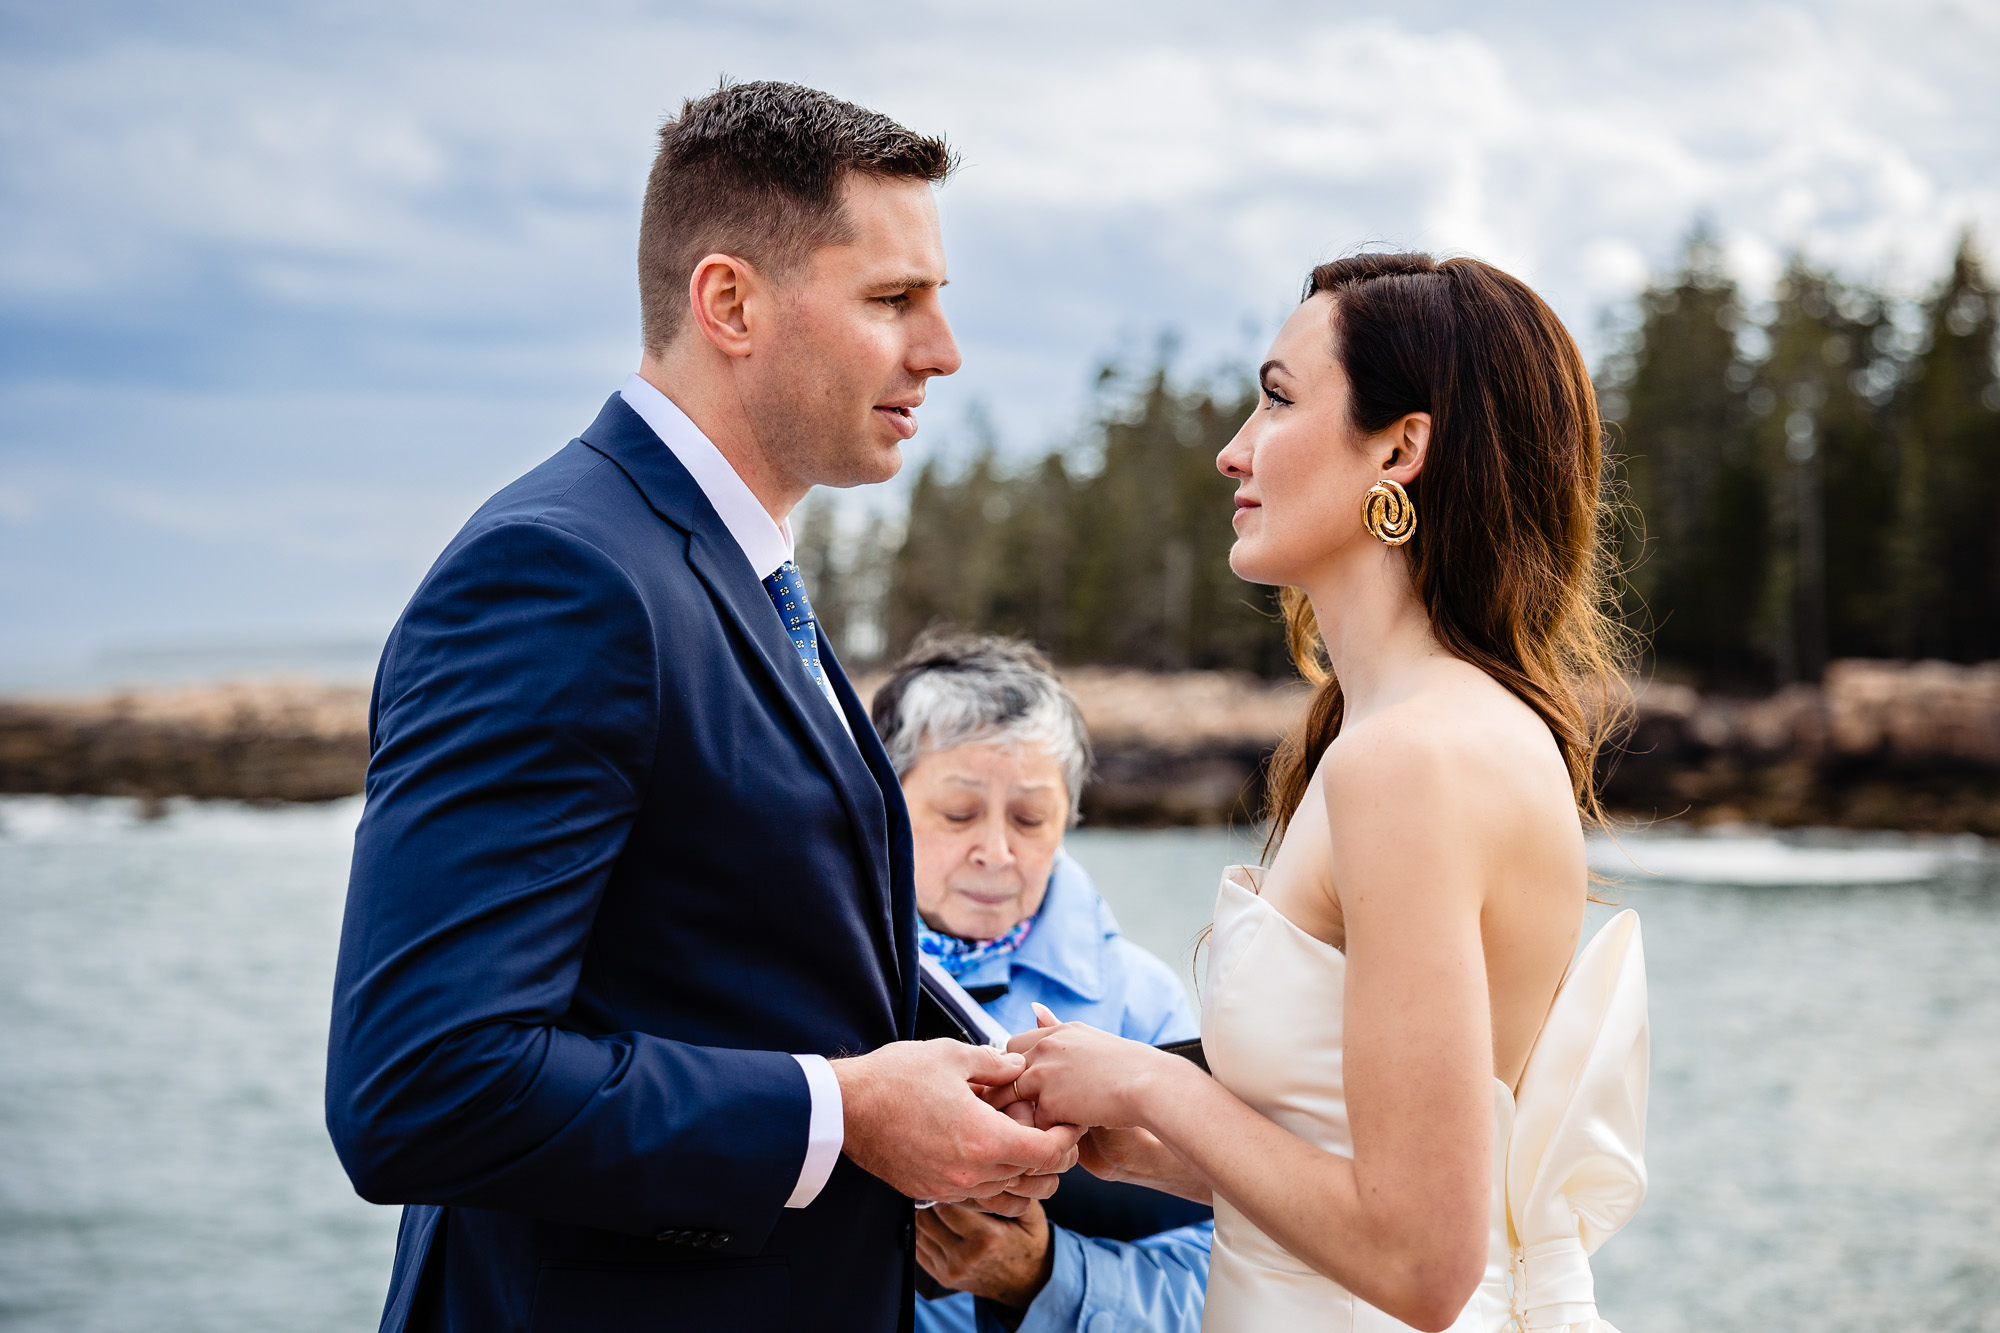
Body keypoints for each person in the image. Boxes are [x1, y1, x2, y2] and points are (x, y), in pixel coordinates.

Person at [324, 82, 1081, 1333]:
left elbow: (761, 968)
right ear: (728, 301)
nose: (941, 350)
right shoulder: (561, 576)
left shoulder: (734, 570)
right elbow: (422, 1085)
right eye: (893, 300)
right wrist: (839, 1115)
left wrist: (1140, 1112)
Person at [1000, 254, 1650, 1333]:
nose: (1232, 450)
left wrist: (1151, 1084)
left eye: (1276, 398)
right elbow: (1418, 1187)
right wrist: (1157, 1150)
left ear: (1398, 448)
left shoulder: (1406, 760)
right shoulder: (1437, 728)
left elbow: (1420, 1263)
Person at [867, 632, 1212, 1333]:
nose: (996, 851)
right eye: (958, 813)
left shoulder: (1142, 1002)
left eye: (1030, 818)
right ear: (883, 803)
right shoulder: (808, 965)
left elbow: (1228, 1281)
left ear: (1069, 819)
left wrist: (1043, 1277)